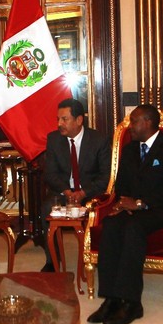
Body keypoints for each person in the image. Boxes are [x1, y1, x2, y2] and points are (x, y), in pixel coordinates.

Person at [86, 104, 163, 324]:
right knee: (112, 225)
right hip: (133, 208)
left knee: (134, 228)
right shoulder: (131, 149)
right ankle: (112, 299)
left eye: (134, 121)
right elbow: (122, 185)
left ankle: (132, 302)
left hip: (162, 211)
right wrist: (122, 204)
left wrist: (142, 203)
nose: (130, 126)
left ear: (148, 122)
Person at [41, 98, 111, 271]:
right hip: (63, 192)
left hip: (90, 192)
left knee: (99, 212)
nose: (59, 124)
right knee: (46, 208)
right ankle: (53, 260)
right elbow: (50, 173)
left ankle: (94, 255)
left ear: (79, 120)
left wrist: (83, 192)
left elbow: (106, 176)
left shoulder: (99, 140)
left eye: (64, 119)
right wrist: (66, 191)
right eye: (58, 119)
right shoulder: (54, 139)